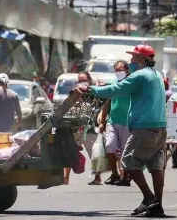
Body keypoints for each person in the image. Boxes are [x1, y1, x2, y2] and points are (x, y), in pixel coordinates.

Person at [75, 44, 167, 217]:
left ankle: (149, 198)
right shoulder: (157, 75)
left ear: (142, 59)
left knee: (129, 162)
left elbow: (115, 89)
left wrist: (90, 89)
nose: (131, 60)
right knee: (156, 166)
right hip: (159, 127)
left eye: (134, 57)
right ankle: (158, 205)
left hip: (144, 127)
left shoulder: (139, 75)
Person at [89, 60, 132, 187]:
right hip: (113, 122)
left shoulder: (130, 84)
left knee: (125, 151)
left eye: (121, 70)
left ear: (127, 70)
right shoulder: (114, 84)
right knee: (110, 146)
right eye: (116, 70)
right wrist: (102, 118)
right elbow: (107, 102)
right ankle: (115, 173)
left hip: (127, 123)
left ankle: (126, 175)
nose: (118, 72)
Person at [64, 71, 93, 185]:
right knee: (70, 151)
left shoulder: (94, 93)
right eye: (79, 81)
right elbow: (67, 107)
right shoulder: (73, 93)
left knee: (94, 153)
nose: (82, 83)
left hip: (90, 129)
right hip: (75, 128)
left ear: (89, 81)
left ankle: (97, 176)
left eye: (84, 80)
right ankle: (66, 177)